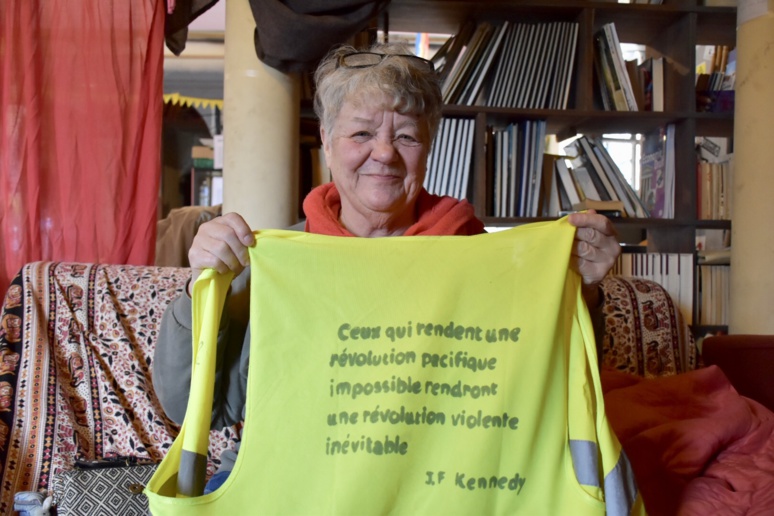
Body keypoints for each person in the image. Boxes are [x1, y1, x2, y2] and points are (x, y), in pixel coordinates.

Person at [153, 41, 621, 493]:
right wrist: (203, 288)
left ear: (429, 145)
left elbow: (553, 389)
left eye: (405, 136)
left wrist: (586, 291)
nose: (384, 153)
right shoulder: (274, 263)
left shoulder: (482, 259)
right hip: (286, 484)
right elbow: (190, 404)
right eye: (361, 133)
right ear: (328, 142)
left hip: (443, 488)